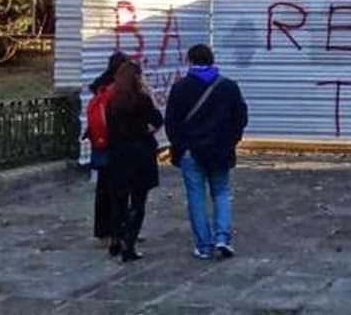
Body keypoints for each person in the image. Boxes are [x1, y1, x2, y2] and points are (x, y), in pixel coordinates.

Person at [165, 44, 248, 260]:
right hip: (220, 150)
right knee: (221, 192)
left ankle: (204, 246)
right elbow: (240, 118)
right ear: (212, 60)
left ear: (190, 61)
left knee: (196, 197)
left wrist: (179, 146)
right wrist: (231, 141)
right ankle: (223, 238)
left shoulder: (180, 88)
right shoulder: (228, 87)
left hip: (191, 152)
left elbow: (172, 123)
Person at [105, 60, 162, 262]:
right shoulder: (142, 100)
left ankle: (115, 239)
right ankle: (129, 242)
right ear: (137, 78)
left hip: (118, 154)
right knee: (138, 201)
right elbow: (157, 120)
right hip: (140, 154)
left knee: (118, 199)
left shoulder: (112, 101)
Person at [83, 51, 129, 247]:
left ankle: (102, 231)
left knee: (103, 188)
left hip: (100, 142)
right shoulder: (120, 89)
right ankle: (120, 229)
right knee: (120, 190)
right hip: (118, 144)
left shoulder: (99, 86)